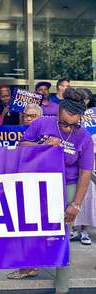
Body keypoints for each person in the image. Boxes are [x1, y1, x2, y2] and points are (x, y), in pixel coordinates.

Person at [20, 88, 93, 294]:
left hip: (67, 186)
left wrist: (76, 204)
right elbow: (21, 146)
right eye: (64, 124)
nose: (68, 128)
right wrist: (43, 144)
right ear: (58, 113)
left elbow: (85, 173)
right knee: (33, 228)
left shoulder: (84, 137)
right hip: (38, 184)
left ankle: (62, 285)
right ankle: (30, 265)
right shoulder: (42, 124)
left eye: (74, 124)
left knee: (62, 236)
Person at [7, 103, 43, 280]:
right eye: (26, 115)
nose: (28, 119)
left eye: (33, 116)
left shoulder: (47, 135)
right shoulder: (14, 133)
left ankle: (30, 266)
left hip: (38, 187)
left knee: (32, 226)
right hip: (18, 183)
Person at [71, 88, 96, 245]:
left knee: (88, 195)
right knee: (73, 192)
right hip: (73, 159)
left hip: (91, 159)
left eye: (85, 99)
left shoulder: (94, 116)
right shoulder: (70, 115)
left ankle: (85, 230)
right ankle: (73, 228)